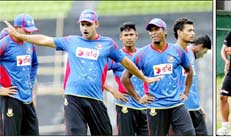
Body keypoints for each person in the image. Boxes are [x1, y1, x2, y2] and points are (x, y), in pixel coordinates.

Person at [4, 9, 160, 135]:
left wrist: (143, 77)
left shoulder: (107, 44)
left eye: (88, 24)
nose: (85, 28)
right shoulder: (71, 41)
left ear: (96, 24)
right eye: (82, 24)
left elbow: (126, 62)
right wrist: (20, 35)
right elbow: (44, 39)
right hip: (73, 98)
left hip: (95, 98)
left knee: (104, 132)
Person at [121, 18, 195, 136]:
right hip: (156, 106)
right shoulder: (142, 54)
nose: (153, 32)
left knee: (189, 132)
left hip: (176, 103)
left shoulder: (177, 51)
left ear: (165, 31)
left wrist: (186, 92)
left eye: (156, 29)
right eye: (151, 30)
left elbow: (189, 71)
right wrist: (138, 98)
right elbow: (125, 78)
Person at [103, 22, 148, 135]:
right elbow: (97, 75)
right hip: (125, 104)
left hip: (144, 104)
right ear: (121, 37)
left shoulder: (143, 54)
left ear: (136, 36)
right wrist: (114, 91)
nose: (129, 38)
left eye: (131, 34)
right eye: (126, 35)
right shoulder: (116, 57)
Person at [0, 13, 39, 135]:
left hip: (27, 99)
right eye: (26, 31)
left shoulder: (30, 44)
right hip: (12, 98)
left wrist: (30, 84)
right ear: (16, 29)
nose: (29, 35)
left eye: (31, 32)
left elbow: (34, 64)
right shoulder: (4, 44)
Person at [173, 17, 211, 135]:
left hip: (194, 108)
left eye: (193, 30)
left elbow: (192, 84)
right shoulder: (172, 53)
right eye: (189, 30)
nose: (193, 33)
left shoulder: (190, 53)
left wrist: (198, 106)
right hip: (181, 109)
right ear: (179, 32)